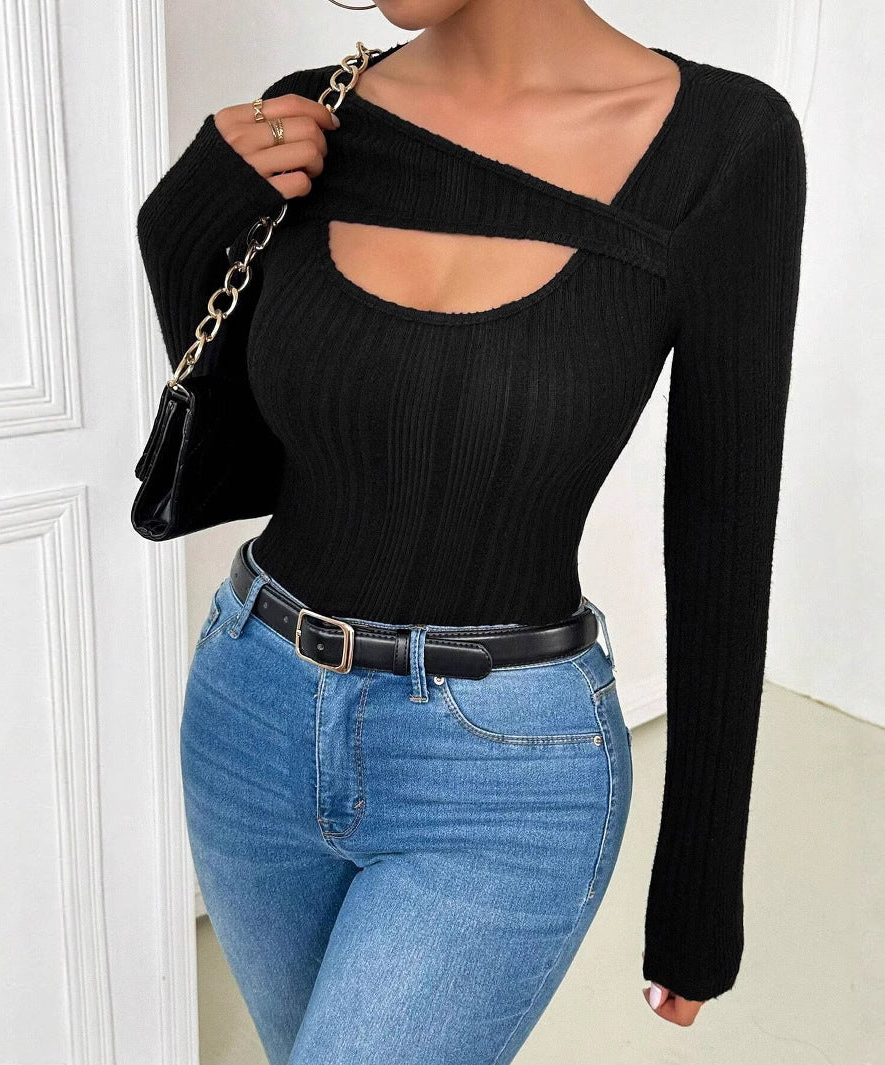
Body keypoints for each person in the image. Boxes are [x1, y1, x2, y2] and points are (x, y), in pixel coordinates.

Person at [135, 1, 807, 1060]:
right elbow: (246, 449)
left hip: (499, 771)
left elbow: (725, 520)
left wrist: (698, 890)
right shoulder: (317, 117)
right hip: (249, 710)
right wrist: (184, 218)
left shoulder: (723, 144)